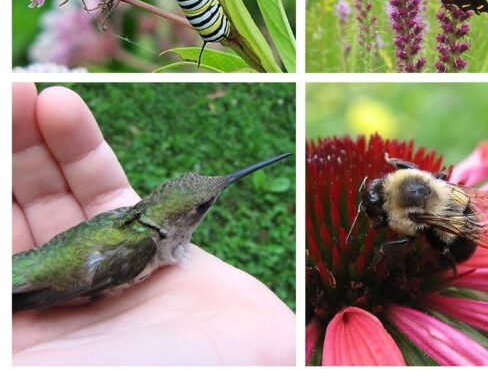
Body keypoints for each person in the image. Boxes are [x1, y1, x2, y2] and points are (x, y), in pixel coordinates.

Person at [12, 83, 295, 365]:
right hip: (52, 272)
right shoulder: (141, 246)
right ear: (182, 219)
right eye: (203, 207)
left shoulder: (133, 220)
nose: (208, 206)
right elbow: (84, 275)